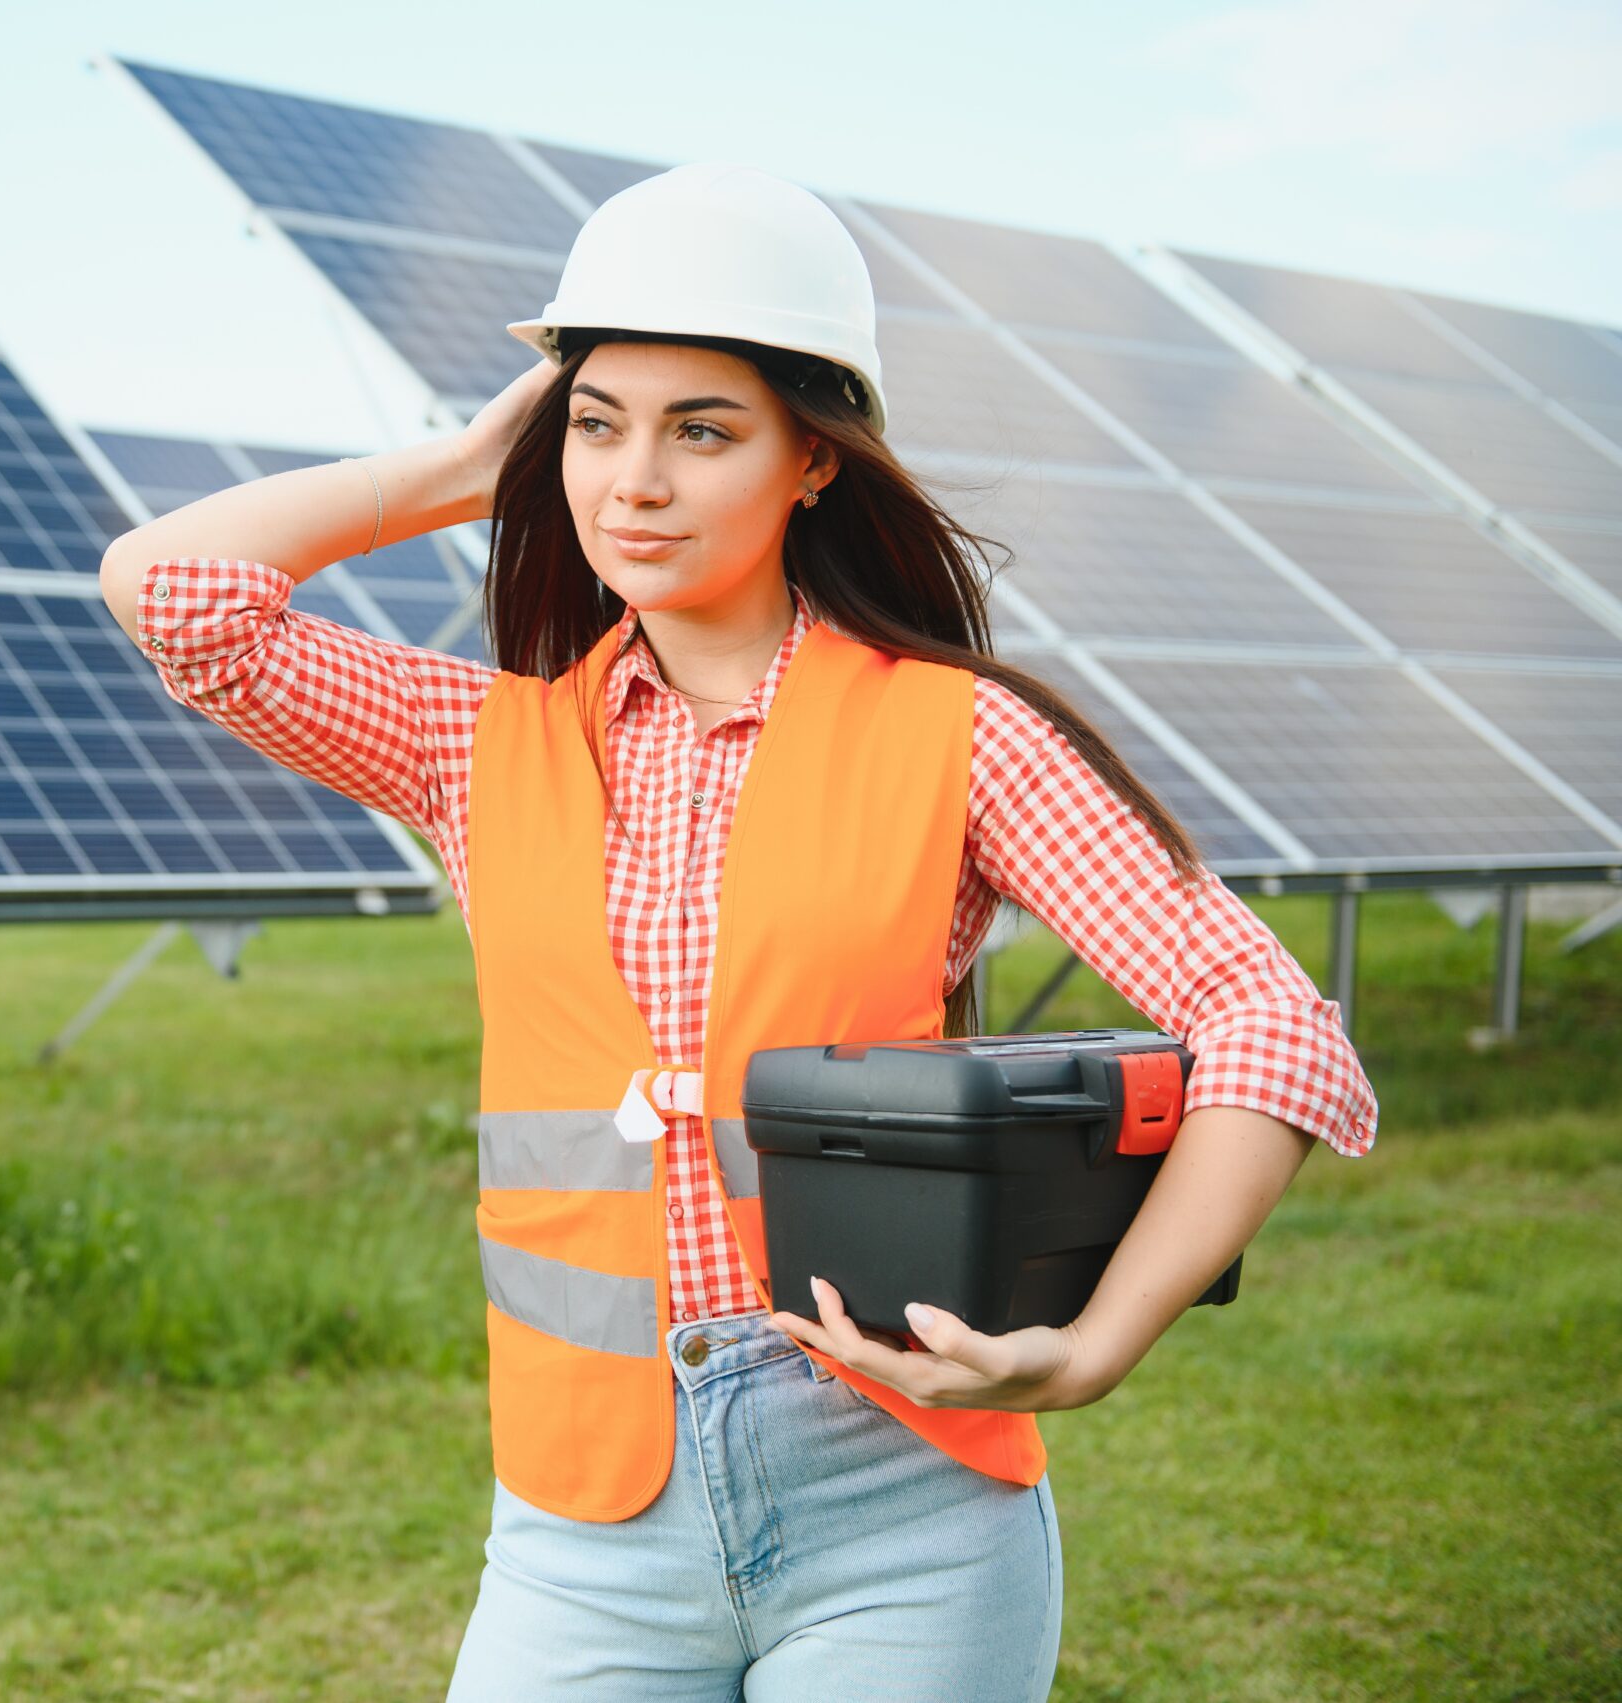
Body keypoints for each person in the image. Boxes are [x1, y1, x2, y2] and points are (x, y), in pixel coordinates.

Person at [96, 164, 1377, 1702]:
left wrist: (1099, 1341)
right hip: (582, 1515)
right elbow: (175, 596)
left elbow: (1271, 1024)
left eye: (702, 429)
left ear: (813, 462)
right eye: (597, 422)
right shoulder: (475, 738)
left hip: (900, 1501)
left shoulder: (958, 737)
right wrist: (464, 463)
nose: (634, 480)